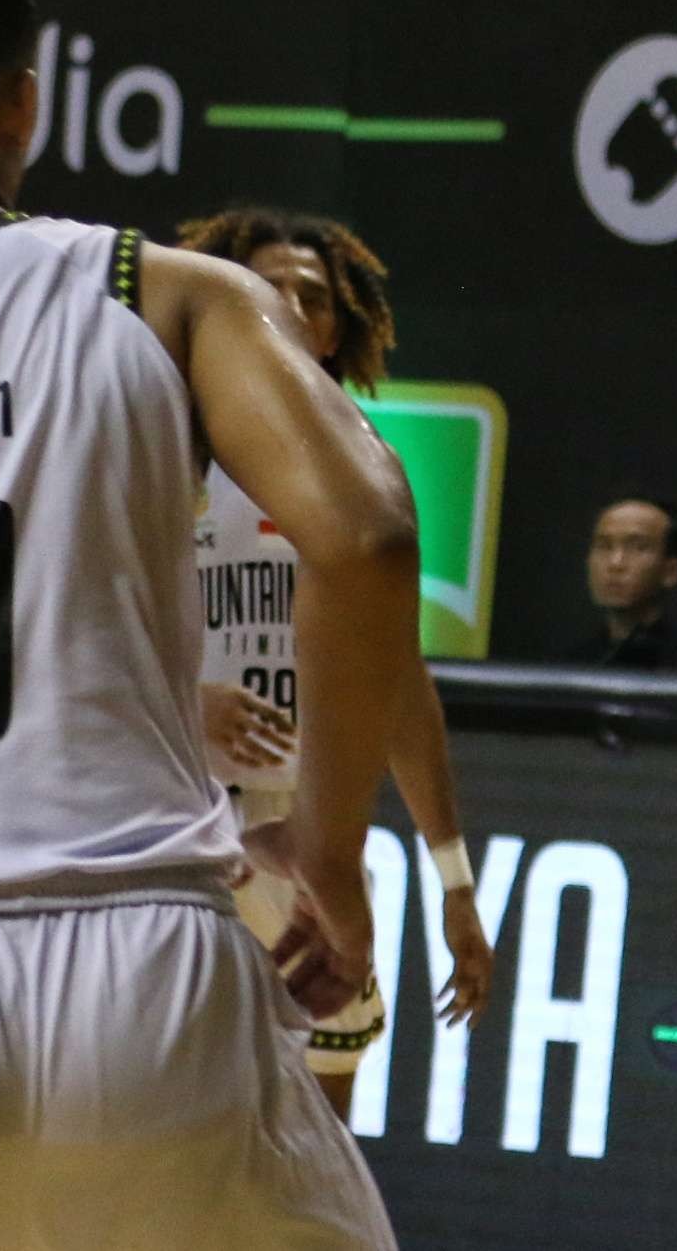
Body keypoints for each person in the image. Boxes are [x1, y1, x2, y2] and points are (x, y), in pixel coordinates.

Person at [0, 0, 410, 1246]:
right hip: (157, 961)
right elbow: (368, 535)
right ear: (24, 102)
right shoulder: (172, 290)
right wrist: (329, 858)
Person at [173, 205, 497, 1119]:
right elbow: (72, 622)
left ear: (336, 324)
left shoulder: (364, 468)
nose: (288, 300)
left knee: (324, 1124)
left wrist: (456, 883)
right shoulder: (164, 437)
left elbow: (398, 683)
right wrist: (185, 699)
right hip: (177, 824)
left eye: (311, 293)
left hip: (312, 836)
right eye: (267, 282)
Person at [564, 495, 677, 667]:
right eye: (604, 546)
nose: (615, 563)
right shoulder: (570, 668)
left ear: (671, 571)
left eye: (638, 547)